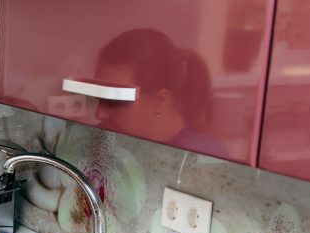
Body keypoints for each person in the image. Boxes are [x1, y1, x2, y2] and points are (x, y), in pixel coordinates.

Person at [94, 28, 229, 158]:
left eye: (115, 101)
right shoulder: (112, 138)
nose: (99, 113)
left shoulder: (200, 158)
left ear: (159, 101)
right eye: (99, 95)